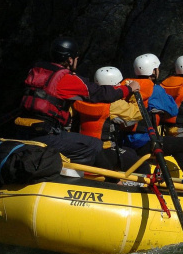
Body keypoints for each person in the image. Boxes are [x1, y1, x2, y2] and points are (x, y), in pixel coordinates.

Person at [14, 37, 139, 165]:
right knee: (95, 145)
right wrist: (129, 89)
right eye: (76, 58)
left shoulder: (35, 72)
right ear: (69, 59)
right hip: (44, 135)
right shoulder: (67, 79)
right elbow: (100, 93)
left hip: (21, 130)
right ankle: (104, 181)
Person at [71, 66, 147, 173]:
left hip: (82, 148)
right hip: (103, 150)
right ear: (115, 84)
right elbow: (137, 115)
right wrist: (133, 94)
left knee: (130, 152)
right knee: (142, 164)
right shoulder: (114, 104)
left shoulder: (81, 99)